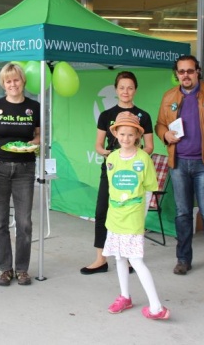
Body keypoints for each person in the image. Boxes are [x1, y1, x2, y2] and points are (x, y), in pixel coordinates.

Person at [155, 54, 204, 286]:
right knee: (182, 215)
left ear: (198, 71)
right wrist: (165, 135)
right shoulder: (169, 96)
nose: (185, 75)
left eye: (190, 71)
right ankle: (183, 259)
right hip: (178, 164)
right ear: (176, 74)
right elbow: (160, 124)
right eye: (181, 71)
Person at [80, 71, 154, 275]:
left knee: (130, 212)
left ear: (135, 90)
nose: (125, 91)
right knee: (102, 211)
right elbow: (98, 145)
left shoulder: (143, 116)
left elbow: (149, 147)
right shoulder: (106, 116)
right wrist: (111, 154)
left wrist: (131, 155)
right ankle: (100, 259)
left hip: (134, 174)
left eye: (130, 87)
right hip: (111, 171)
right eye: (121, 87)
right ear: (115, 90)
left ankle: (129, 259)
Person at [0, 63, 40, 286]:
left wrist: (31, 144)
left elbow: (39, 136)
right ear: (3, 84)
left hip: (24, 169)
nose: (13, 84)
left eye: (16, 80)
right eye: (8, 81)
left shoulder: (34, 107)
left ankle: (22, 269)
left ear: (23, 81)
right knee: (0, 221)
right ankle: (5, 269)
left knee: (24, 222)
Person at [103, 111, 169, 320]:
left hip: (133, 218)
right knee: (119, 257)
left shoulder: (143, 159)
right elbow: (112, 188)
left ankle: (156, 307)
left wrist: (140, 218)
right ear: (116, 134)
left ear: (138, 137)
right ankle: (125, 296)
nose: (126, 139)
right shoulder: (111, 158)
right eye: (122, 134)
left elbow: (149, 189)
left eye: (130, 135)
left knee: (136, 260)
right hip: (114, 217)